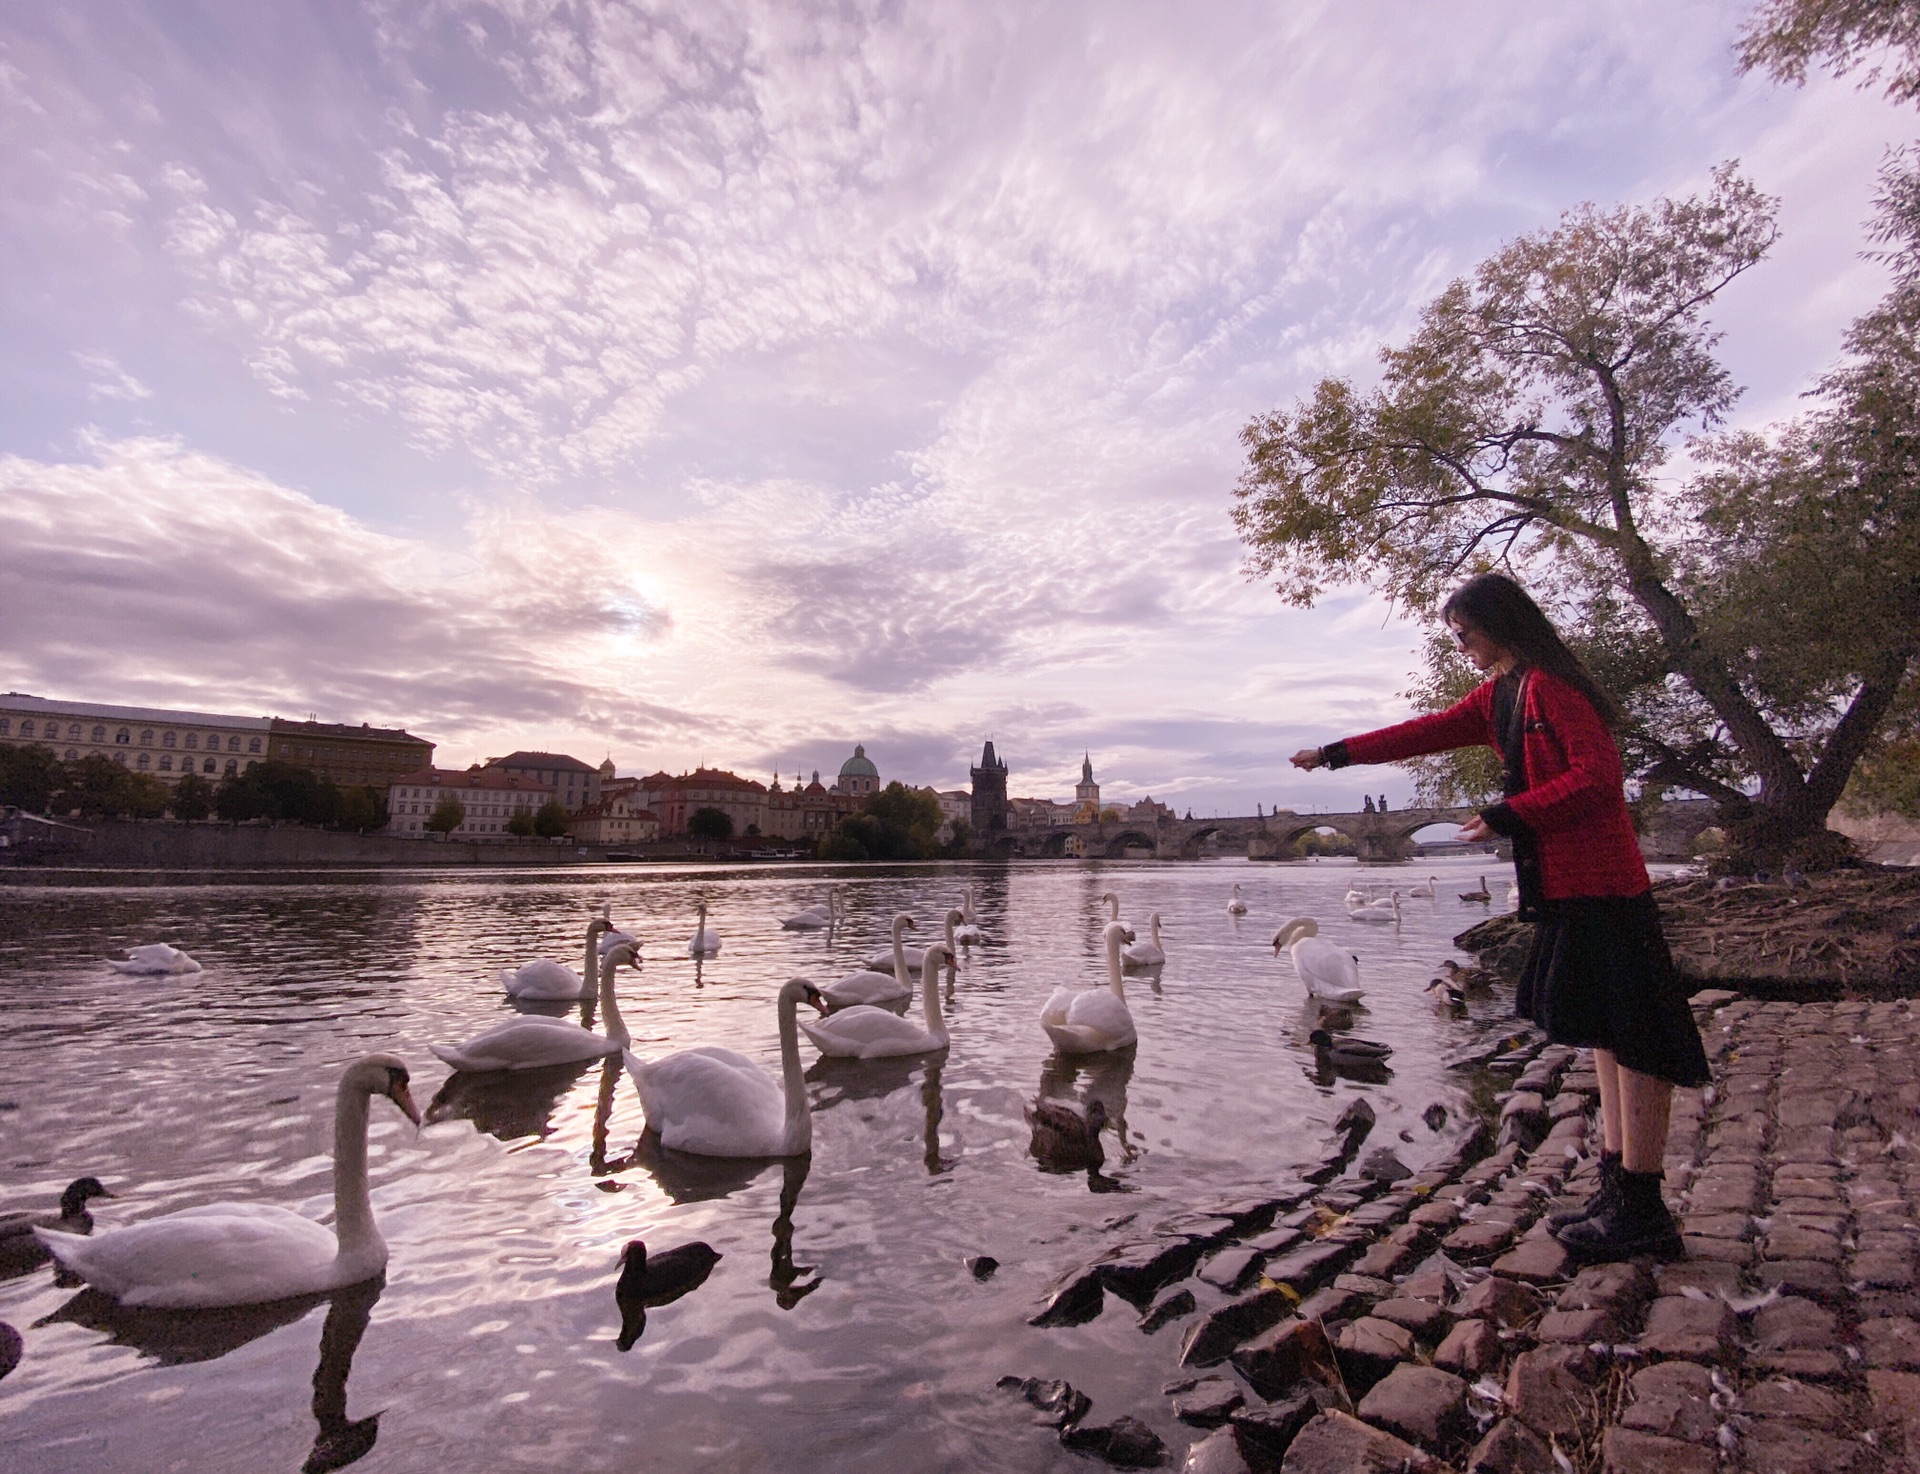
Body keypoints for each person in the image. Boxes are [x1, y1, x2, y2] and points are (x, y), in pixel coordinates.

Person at [1290, 573, 1708, 1263]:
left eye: (1466, 635)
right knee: (1604, 1029)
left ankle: (1643, 1202)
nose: (1462, 648)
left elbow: (1599, 777)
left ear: (1501, 625)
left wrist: (1508, 813)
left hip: (1604, 886)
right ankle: (1618, 1180)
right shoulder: (1504, 694)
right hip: (1569, 889)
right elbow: (1424, 732)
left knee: (1637, 1038)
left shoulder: (1552, 687)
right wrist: (1335, 754)